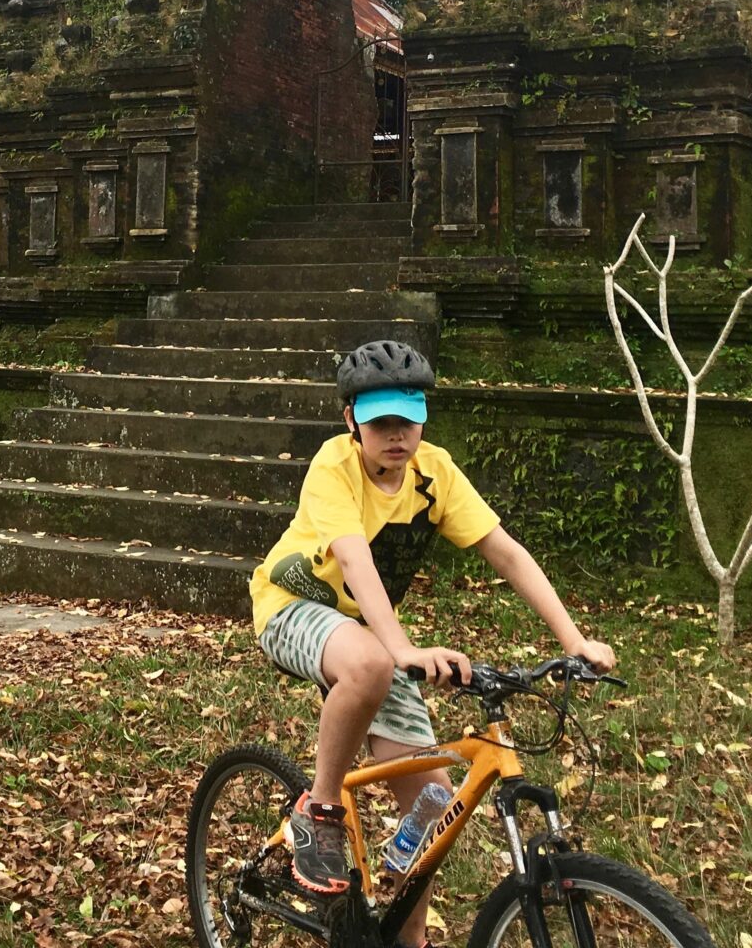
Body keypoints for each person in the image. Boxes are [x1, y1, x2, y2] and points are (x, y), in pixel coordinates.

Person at [248, 339, 615, 932]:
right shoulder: (332, 466)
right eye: (380, 423)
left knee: (435, 804)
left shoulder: (434, 473)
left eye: (409, 421)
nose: (397, 435)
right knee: (370, 665)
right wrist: (402, 651)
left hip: (367, 629)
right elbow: (356, 562)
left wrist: (574, 639)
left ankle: (402, 932)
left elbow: (507, 553)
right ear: (351, 423)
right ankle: (319, 811)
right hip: (292, 607)